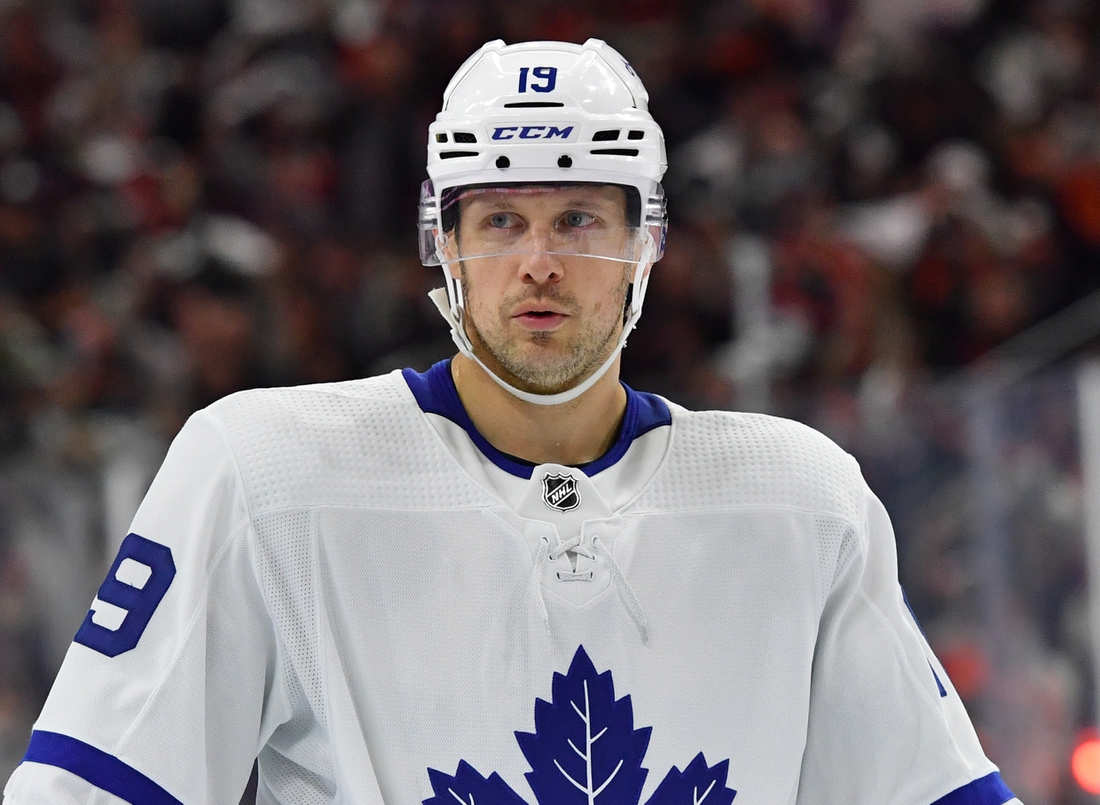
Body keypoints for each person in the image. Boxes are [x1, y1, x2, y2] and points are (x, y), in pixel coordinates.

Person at [4, 39, 1020, 805]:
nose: (537, 260)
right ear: (439, 241)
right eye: (499, 220)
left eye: (577, 217)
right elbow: (87, 789)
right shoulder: (264, 473)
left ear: (646, 241)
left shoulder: (801, 502)